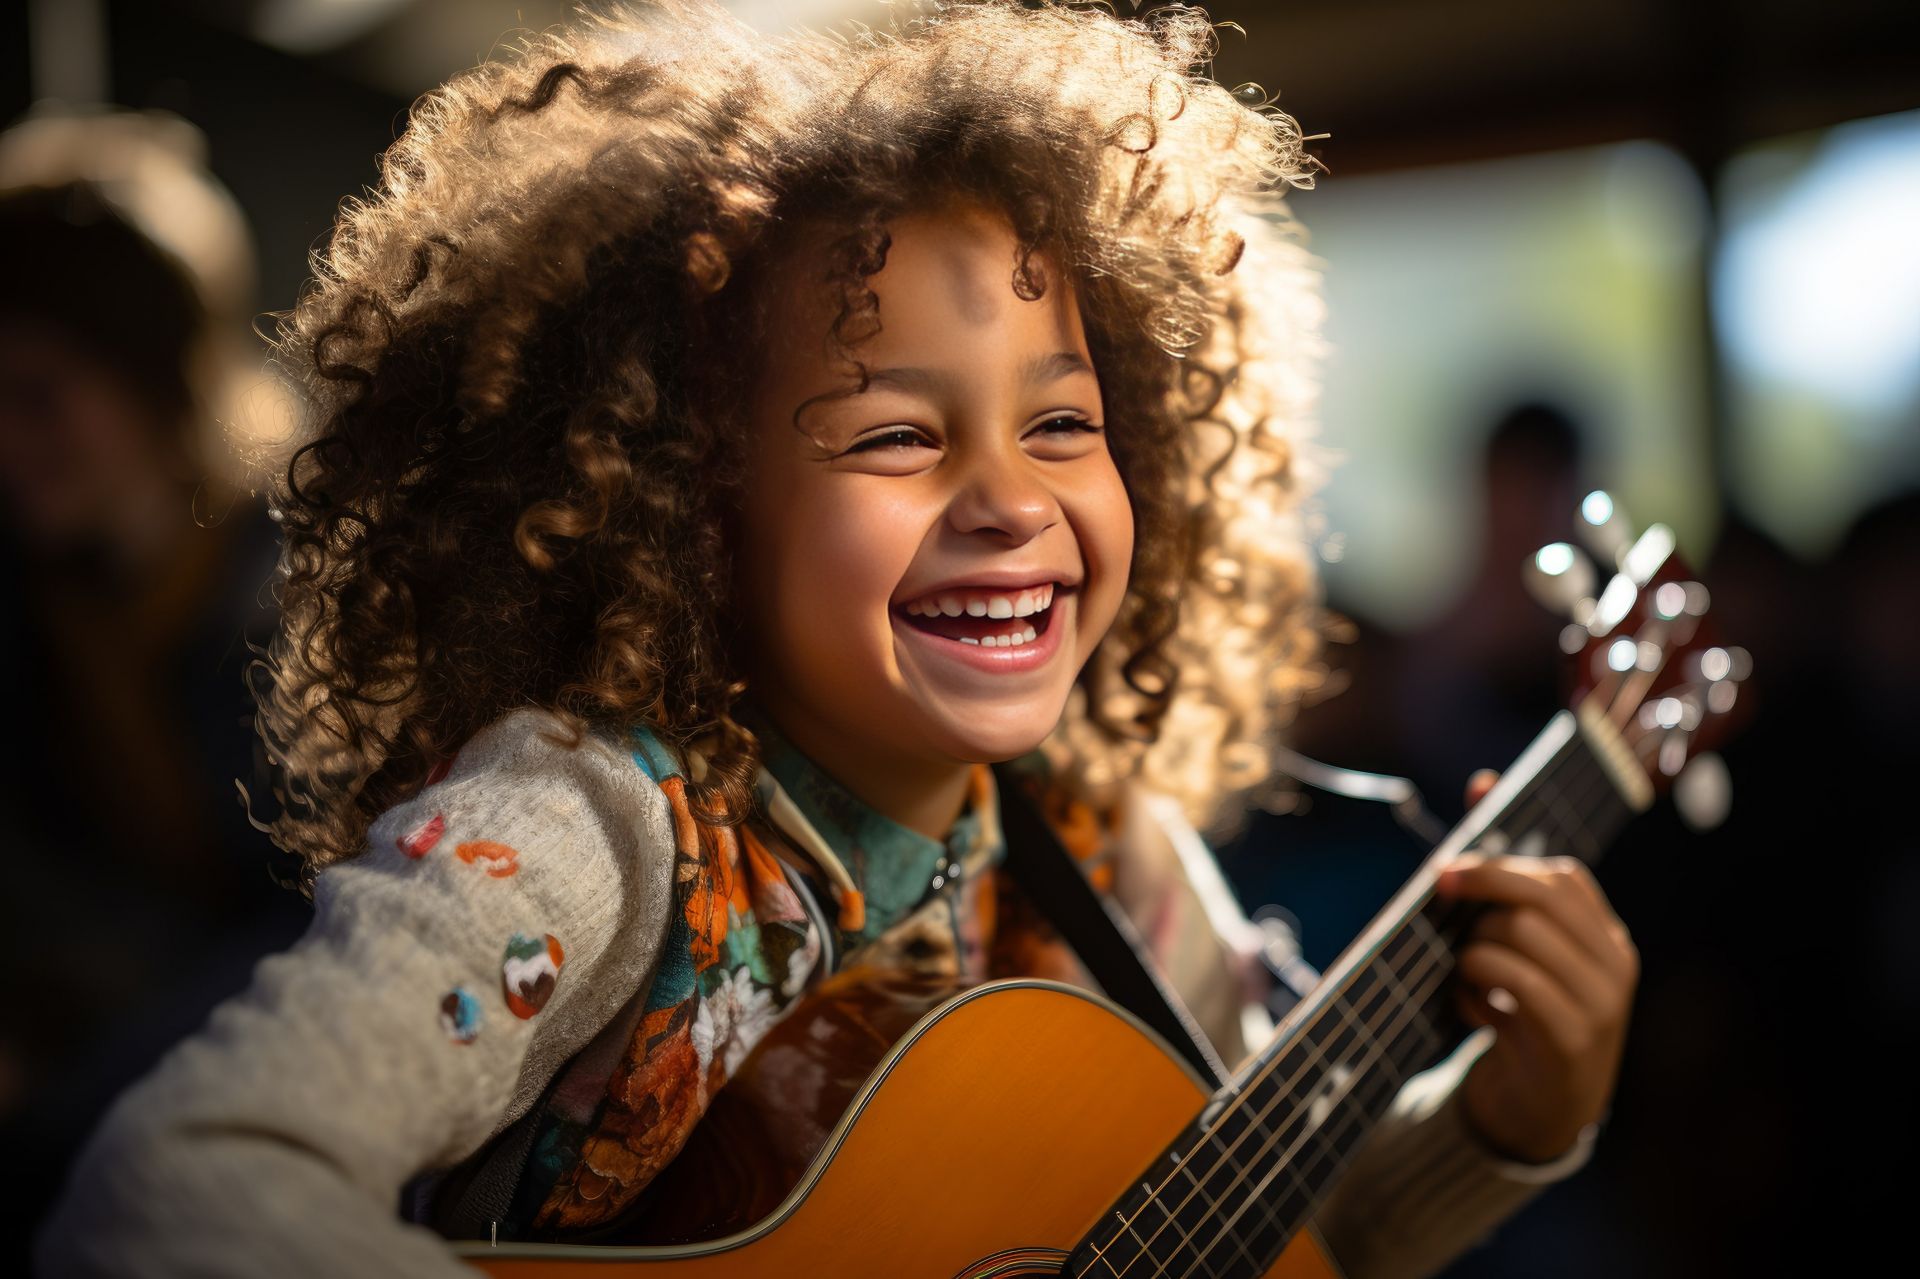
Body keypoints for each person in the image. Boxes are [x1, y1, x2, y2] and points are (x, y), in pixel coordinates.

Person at [34, 3, 1638, 1276]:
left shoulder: (1113, 858)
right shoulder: (591, 828)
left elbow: (1262, 1243)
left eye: (1066, 423)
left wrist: (1500, 1122)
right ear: (685, 500)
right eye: (892, 438)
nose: (1012, 499)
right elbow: (185, 1182)